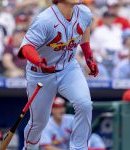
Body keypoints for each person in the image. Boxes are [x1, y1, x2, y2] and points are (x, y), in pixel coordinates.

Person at [18, 0, 98, 149]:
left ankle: (79, 147)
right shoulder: (45, 20)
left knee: (85, 104)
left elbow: (84, 27)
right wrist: (38, 61)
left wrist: (88, 56)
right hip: (41, 74)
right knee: (39, 122)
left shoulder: (84, 12)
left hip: (69, 68)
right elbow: (26, 47)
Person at [40, 97, 106, 150]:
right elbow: (46, 147)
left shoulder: (71, 119)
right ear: (51, 110)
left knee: (94, 138)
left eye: (62, 107)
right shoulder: (46, 124)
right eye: (56, 108)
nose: (60, 110)